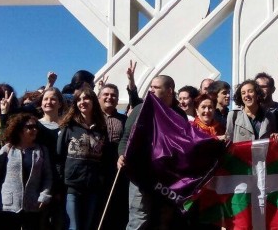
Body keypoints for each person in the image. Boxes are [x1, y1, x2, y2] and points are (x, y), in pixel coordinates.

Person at [117, 75, 188, 229]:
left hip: (166, 178)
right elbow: (126, 138)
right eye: (150, 87)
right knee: (139, 219)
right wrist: (121, 155)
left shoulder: (179, 115)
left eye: (155, 87)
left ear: (169, 91)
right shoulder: (140, 110)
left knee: (164, 219)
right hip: (140, 174)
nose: (150, 90)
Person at [0, 113, 53, 230]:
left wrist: (44, 195)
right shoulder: (8, 148)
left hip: (32, 205)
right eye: (30, 127)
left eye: (36, 127)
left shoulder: (41, 150)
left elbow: (47, 176)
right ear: (20, 130)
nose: (34, 130)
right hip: (8, 206)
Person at [57, 88, 107, 230]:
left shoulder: (102, 129)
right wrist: (61, 181)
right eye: (79, 99)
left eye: (86, 99)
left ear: (93, 102)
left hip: (93, 186)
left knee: (88, 225)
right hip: (72, 185)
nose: (82, 102)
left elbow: (105, 158)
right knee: (74, 226)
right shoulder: (69, 127)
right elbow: (59, 156)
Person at [98, 83, 129, 230]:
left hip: (117, 169)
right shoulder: (91, 118)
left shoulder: (124, 120)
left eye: (113, 95)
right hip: (96, 169)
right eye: (106, 94)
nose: (109, 97)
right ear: (98, 97)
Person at [36, 87, 66, 230]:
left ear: (60, 103)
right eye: (45, 99)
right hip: (39, 183)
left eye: (53, 98)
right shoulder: (34, 125)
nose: (49, 102)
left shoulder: (67, 127)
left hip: (61, 181)